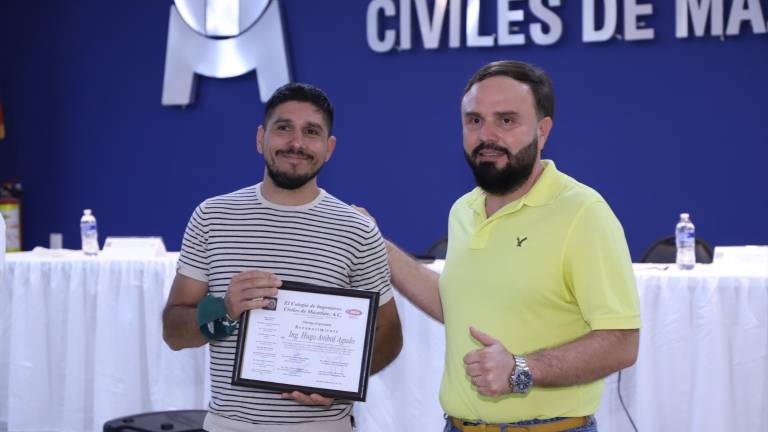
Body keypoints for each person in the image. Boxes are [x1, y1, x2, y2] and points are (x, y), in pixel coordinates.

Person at [358, 60, 640, 432]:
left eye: (506, 120)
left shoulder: (583, 213)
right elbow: (457, 306)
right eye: (474, 120)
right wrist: (375, 242)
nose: (486, 135)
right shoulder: (465, 209)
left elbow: (621, 342)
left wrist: (522, 370)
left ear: (543, 131)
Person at [163, 83, 403, 432]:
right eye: (283, 128)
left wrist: (340, 382)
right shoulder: (213, 217)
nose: (296, 143)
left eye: (311, 132)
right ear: (261, 138)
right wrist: (224, 309)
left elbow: (390, 335)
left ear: (329, 148)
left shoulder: (357, 229)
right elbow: (174, 331)